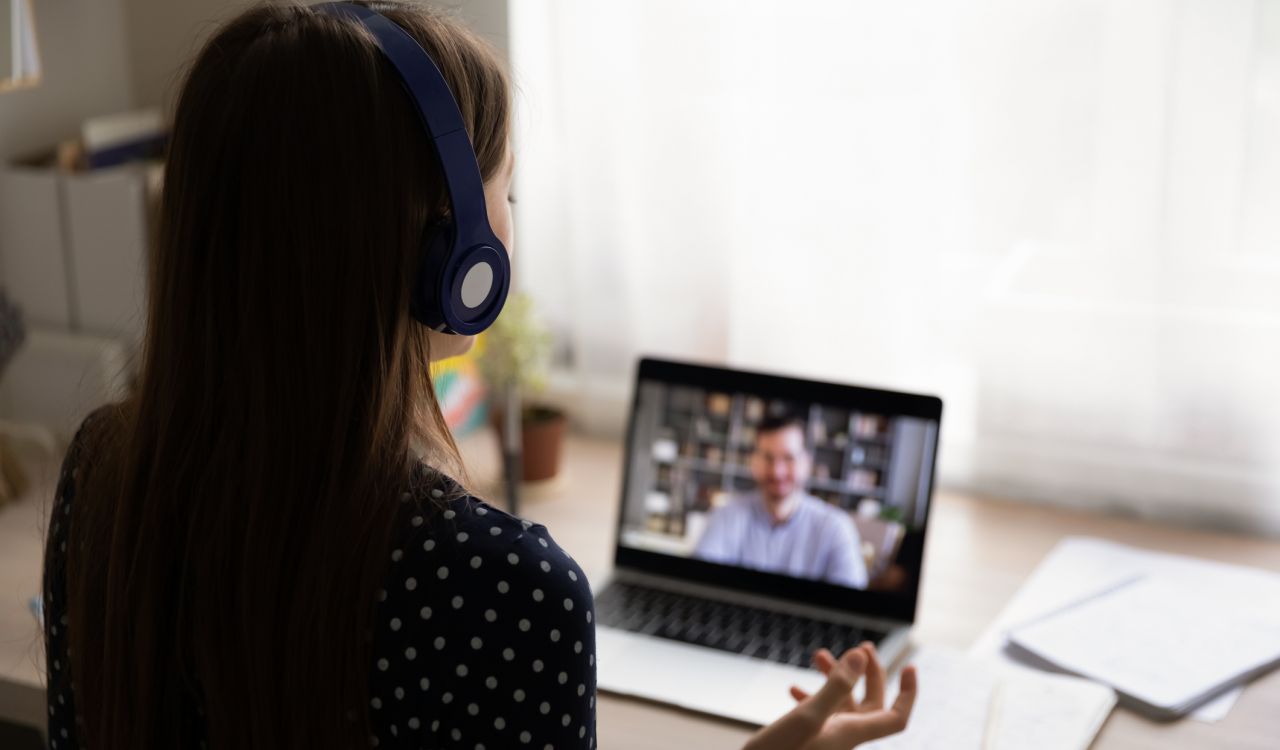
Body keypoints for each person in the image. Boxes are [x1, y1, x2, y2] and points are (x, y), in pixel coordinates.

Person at [41, 3, 915, 749]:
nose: (509, 215)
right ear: (446, 251)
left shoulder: (107, 476)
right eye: (504, 185)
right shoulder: (501, 588)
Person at [694, 415, 870, 588]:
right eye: (768, 458)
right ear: (753, 462)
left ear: (807, 463)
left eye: (789, 458)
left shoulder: (836, 527)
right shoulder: (726, 515)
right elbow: (698, 582)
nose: (777, 472)